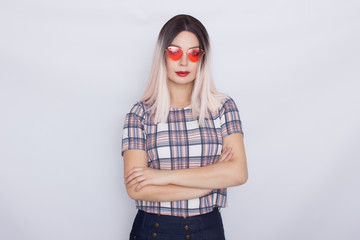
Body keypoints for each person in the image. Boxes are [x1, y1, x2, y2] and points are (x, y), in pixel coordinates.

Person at [121, 14, 248, 240]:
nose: (183, 62)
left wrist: (160, 177)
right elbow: (137, 189)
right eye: (174, 51)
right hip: (153, 230)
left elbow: (238, 173)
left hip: (207, 230)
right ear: (163, 55)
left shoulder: (223, 108)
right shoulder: (139, 114)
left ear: (202, 58)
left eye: (193, 53)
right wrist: (206, 185)